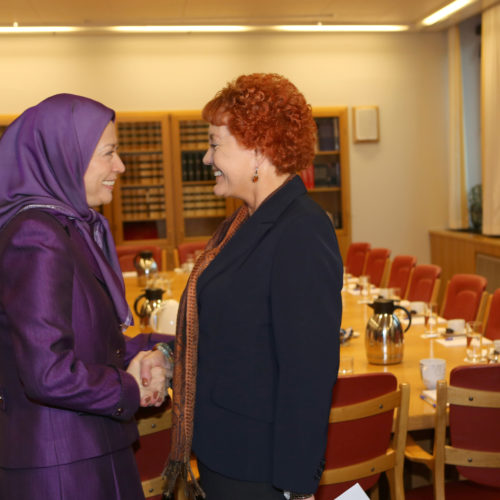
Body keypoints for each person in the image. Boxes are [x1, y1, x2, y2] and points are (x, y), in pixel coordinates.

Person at [164, 73, 342, 500]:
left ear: (259, 149)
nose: (206, 158)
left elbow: (309, 374)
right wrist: (169, 356)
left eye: (214, 143)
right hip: (225, 453)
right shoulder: (246, 223)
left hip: (261, 471)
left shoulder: (301, 229)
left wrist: (294, 486)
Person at [0, 94, 172, 500]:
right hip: (62, 469)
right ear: (65, 156)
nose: (120, 167)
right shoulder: (37, 235)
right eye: (109, 153)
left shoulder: (67, 227)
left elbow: (95, 345)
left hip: (88, 452)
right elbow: (48, 373)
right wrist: (129, 387)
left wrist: (164, 350)